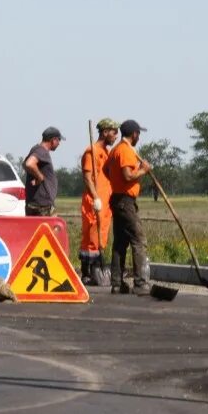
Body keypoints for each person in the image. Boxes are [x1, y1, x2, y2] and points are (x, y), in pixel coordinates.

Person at [104, 119, 154, 296]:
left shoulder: (115, 150)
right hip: (125, 201)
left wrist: (114, 180)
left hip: (117, 199)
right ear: (134, 134)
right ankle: (140, 283)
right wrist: (143, 170)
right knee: (138, 240)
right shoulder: (125, 150)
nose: (139, 136)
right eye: (138, 134)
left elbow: (105, 170)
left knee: (120, 242)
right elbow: (127, 175)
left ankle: (117, 284)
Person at [80, 118, 119, 283]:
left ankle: (98, 268)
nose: (116, 136)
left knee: (102, 236)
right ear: (105, 132)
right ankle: (88, 272)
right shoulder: (92, 151)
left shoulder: (107, 152)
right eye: (114, 132)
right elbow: (87, 177)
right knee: (92, 237)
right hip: (94, 201)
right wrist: (96, 197)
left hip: (106, 201)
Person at [23, 127, 62, 216]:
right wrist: (40, 177)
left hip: (33, 203)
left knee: (33, 230)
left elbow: (24, 164)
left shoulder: (35, 149)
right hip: (43, 206)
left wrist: (35, 175)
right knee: (47, 229)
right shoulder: (42, 151)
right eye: (58, 140)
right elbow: (29, 164)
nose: (59, 143)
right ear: (53, 140)